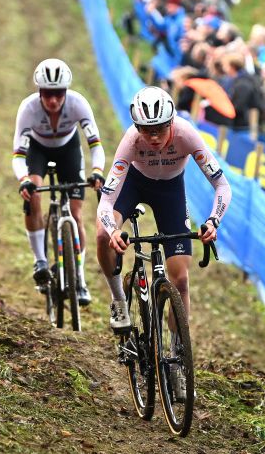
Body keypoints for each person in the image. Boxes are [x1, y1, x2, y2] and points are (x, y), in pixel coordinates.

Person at [96, 86, 230, 333]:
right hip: (133, 185)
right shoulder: (131, 141)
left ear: (171, 122)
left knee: (180, 281)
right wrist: (114, 230)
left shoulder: (186, 134)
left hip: (170, 191)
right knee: (103, 235)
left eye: (160, 130)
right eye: (147, 131)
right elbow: (105, 203)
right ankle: (118, 300)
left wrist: (213, 221)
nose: (154, 137)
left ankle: (178, 354)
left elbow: (222, 186)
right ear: (137, 128)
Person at [13, 59, 106, 306]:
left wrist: (97, 171)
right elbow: (18, 156)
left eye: (58, 94)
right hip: (38, 150)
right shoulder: (28, 109)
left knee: (76, 215)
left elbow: (96, 145)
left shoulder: (78, 104)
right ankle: (40, 260)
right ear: (39, 92)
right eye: (47, 94)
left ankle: (80, 278)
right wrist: (24, 180)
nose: (53, 101)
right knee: (33, 195)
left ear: (66, 92)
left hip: (68, 150)